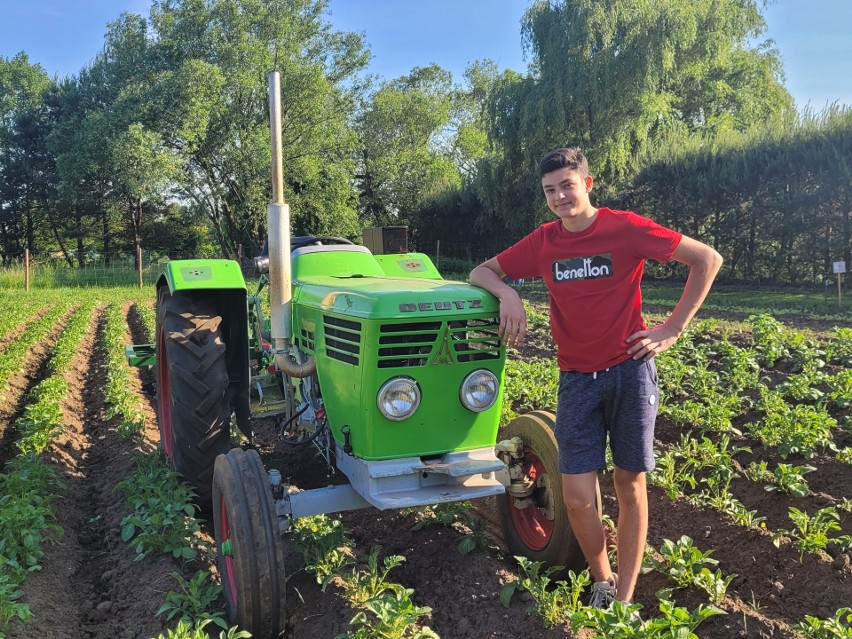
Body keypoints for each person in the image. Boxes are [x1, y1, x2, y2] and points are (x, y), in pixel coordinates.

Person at [470, 147, 722, 608]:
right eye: (550, 190)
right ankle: (601, 577)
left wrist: (672, 329)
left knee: (629, 485)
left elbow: (706, 259)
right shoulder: (545, 242)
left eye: (567, 185)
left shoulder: (624, 228)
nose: (559, 196)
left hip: (630, 372)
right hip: (577, 380)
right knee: (578, 496)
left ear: (587, 184)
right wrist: (507, 292)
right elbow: (481, 271)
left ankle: (622, 597)